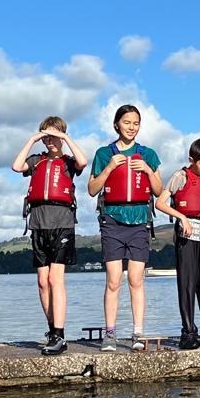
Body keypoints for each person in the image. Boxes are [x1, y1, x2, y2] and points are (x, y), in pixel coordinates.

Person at [87, 104, 163, 352]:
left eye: (136, 123)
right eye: (127, 122)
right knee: (113, 280)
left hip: (140, 221)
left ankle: (137, 333)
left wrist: (148, 170)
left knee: (136, 279)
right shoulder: (103, 154)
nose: (132, 127)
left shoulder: (148, 154)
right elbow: (92, 189)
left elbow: (158, 191)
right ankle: (110, 334)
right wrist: (110, 167)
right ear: (116, 124)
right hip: (112, 221)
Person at [12, 116, 87, 355]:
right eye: (47, 137)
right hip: (39, 224)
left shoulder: (68, 162)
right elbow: (16, 166)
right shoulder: (37, 160)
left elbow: (83, 161)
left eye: (54, 137)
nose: (50, 141)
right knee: (43, 282)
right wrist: (33, 139)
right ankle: (53, 330)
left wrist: (64, 137)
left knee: (56, 279)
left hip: (62, 224)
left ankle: (60, 335)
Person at [157, 137, 200, 350]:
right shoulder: (180, 176)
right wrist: (182, 217)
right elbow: (160, 203)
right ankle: (188, 331)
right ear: (191, 160)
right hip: (187, 235)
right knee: (187, 283)